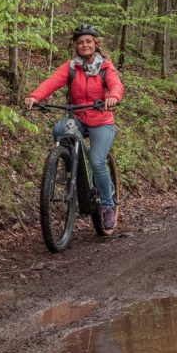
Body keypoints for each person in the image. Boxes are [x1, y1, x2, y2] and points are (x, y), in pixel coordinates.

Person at [25, 24, 123, 230]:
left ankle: (107, 206)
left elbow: (116, 85)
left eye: (88, 41)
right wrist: (35, 96)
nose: (84, 45)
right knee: (60, 129)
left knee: (97, 162)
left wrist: (113, 97)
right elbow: (52, 81)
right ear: (76, 46)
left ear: (96, 44)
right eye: (80, 42)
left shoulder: (106, 67)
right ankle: (70, 166)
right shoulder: (71, 67)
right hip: (78, 116)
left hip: (101, 120)